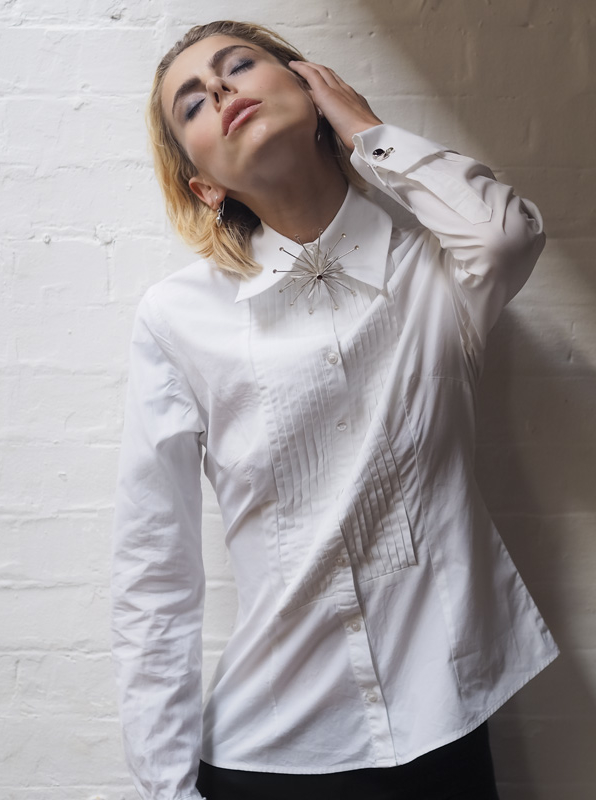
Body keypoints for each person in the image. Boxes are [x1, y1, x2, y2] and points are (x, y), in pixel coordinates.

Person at [110, 19, 560, 800]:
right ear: (205, 185)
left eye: (239, 65)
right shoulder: (175, 319)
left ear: (310, 88)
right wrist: (165, 788)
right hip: (269, 755)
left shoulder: (434, 265)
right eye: (192, 103)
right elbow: (155, 569)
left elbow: (506, 237)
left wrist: (366, 130)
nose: (218, 88)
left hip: (444, 726)